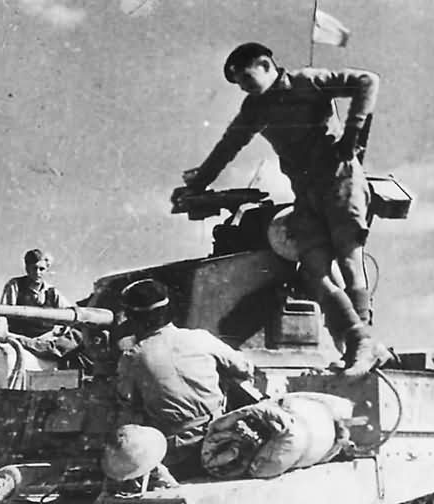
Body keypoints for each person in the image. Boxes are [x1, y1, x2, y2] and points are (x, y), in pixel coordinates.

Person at [176, 42, 383, 377]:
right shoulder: (254, 108)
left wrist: (353, 136)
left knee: (348, 260)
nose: (242, 86)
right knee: (315, 271)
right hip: (305, 192)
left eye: (245, 76)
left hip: (339, 181)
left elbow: (366, 81)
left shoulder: (308, 81)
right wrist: (197, 185)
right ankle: (359, 341)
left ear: (265, 64)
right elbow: (228, 147)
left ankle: (363, 346)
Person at [115, 278, 254, 479]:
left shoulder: (131, 359)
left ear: (131, 318)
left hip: (176, 455)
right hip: (223, 441)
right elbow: (244, 368)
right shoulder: (201, 338)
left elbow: (128, 408)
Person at [0, 249, 71, 338]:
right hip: (20, 339)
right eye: (34, 268)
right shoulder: (15, 285)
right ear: (27, 269)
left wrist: (57, 333)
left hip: (45, 341)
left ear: (46, 270)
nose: (38, 272)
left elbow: (69, 314)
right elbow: (2, 314)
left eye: (41, 269)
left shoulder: (52, 292)